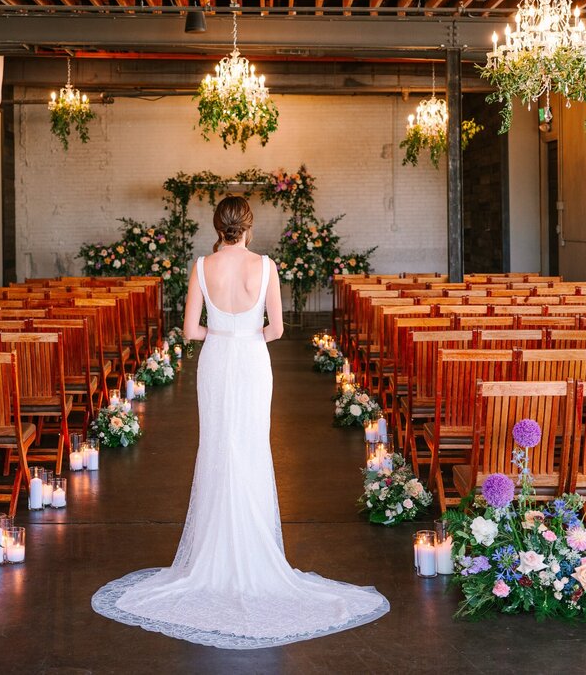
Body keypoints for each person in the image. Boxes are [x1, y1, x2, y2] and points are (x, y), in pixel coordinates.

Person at [92, 196, 388, 649]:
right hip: (251, 358)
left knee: (216, 446)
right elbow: (277, 329)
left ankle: (212, 553)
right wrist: (244, 333)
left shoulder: (201, 265)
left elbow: (190, 330)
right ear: (248, 226)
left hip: (216, 360)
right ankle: (253, 548)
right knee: (250, 447)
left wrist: (221, 333)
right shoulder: (265, 265)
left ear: (218, 226)